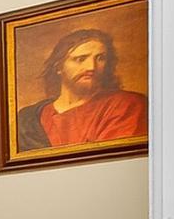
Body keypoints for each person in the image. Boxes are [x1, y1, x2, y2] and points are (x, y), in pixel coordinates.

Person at [16, 27, 147, 151]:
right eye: (80, 59)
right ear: (58, 67)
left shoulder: (127, 104)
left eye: (100, 58)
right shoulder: (28, 118)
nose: (91, 67)